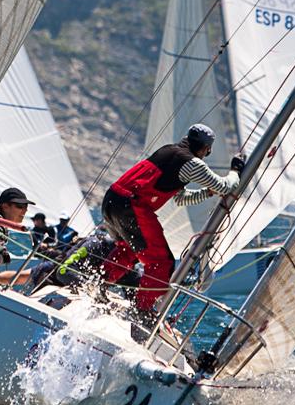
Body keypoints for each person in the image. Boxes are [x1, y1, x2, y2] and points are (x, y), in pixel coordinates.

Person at [101, 124, 242, 317]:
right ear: (205, 148)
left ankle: (97, 283)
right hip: (132, 206)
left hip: (112, 200)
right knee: (162, 262)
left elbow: (180, 198)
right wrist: (236, 170)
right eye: (207, 152)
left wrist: (208, 192)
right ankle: (142, 311)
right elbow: (225, 186)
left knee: (131, 250)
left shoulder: (168, 151)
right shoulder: (193, 164)